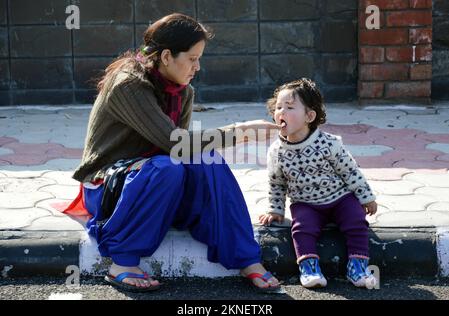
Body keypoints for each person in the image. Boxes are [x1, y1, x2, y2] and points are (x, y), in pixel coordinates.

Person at [62, 13, 281, 292]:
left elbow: (185, 151)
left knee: (206, 160)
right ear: (167, 56)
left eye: (199, 58)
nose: (197, 67)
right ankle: (122, 261)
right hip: (108, 186)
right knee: (167, 167)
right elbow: (175, 143)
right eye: (192, 58)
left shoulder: (182, 91)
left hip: (151, 180)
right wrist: (241, 132)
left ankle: (246, 258)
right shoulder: (128, 85)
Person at [259, 78, 378, 289]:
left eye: (289, 107)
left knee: (356, 221)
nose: (281, 112)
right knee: (301, 229)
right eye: (278, 107)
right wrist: (276, 209)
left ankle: (358, 266)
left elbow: (350, 170)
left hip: (340, 198)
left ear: (309, 116)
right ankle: (309, 267)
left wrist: (366, 197)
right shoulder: (276, 151)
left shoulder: (329, 143)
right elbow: (276, 184)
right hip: (305, 203)